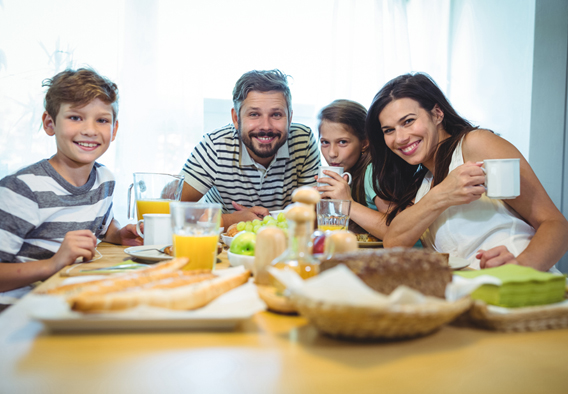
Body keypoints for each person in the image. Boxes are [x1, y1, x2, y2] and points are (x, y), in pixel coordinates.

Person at [366, 72, 568, 271]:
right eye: (389, 130)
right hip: (474, 292)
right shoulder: (424, 182)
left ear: (437, 114)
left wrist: (519, 268)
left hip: (519, 288)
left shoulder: (475, 144)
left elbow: (555, 224)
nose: (400, 138)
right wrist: (441, 194)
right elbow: (394, 242)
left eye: (408, 121)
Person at [0, 68, 142, 301]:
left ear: (114, 130)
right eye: (75, 117)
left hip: (65, 301)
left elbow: (103, 227)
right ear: (49, 123)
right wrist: (53, 264)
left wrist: (119, 234)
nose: (89, 130)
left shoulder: (104, 180)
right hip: (15, 312)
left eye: (102, 120)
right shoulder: (21, 190)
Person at [180, 69, 321, 227]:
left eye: (276, 115)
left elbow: (313, 216)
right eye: (254, 114)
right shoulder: (215, 146)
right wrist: (231, 220)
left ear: (290, 118)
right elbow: (169, 210)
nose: (266, 126)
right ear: (236, 118)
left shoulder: (304, 141)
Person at [315, 99, 389, 239]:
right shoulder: (346, 171)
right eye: (325, 142)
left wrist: (346, 202)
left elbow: (394, 230)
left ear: (364, 142)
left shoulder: (373, 172)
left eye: (342, 142)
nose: (331, 153)